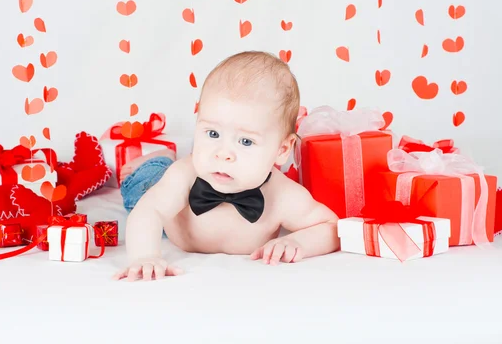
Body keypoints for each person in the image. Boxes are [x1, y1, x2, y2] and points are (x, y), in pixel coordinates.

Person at [113, 51, 339, 282]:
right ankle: (160, 158)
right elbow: (148, 211)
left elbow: (330, 227)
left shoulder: (283, 195)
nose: (223, 154)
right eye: (213, 133)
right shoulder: (184, 175)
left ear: (282, 150)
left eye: (246, 141)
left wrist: (297, 242)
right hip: (167, 215)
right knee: (141, 189)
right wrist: (145, 255)